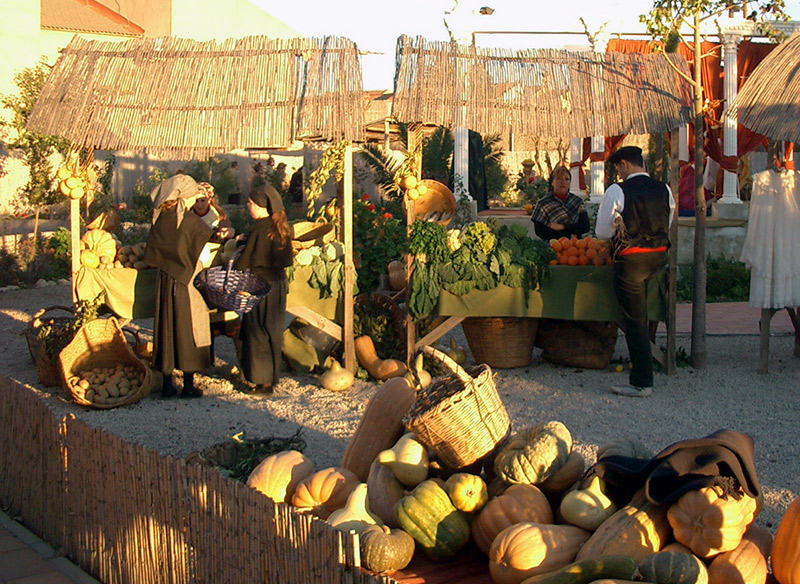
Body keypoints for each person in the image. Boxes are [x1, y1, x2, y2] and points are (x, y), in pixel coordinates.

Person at [596, 146, 675, 398]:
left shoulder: (617, 190)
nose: (618, 173)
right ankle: (650, 366)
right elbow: (668, 221)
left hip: (632, 261)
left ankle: (642, 381)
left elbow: (602, 232)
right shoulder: (665, 189)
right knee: (642, 316)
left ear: (625, 165)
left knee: (635, 320)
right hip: (658, 258)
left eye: (618, 168)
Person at [143, 175, 215, 399]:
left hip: (165, 281)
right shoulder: (190, 223)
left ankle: (166, 383)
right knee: (188, 329)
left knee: (166, 328)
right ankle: (188, 385)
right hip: (186, 282)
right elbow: (201, 253)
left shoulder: (161, 219)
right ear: (184, 196)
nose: (196, 197)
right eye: (193, 193)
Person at [234, 185, 294, 394]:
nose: (248, 207)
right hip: (277, 286)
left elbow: (246, 260)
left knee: (257, 332)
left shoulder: (260, 227)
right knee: (272, 331)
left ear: (260, 207)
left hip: (259, 286)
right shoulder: (280, 226)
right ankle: (270, 378)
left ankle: (262, 382)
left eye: (250, 204)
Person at [530, 165, 590, 241]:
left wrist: (562, 227)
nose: (563, 182)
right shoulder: (543, 203)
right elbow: (540, 231)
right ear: (552, 182)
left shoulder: (577, 202)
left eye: (566, 179)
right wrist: (567, 235)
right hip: (551, 246)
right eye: (559, 179)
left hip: (576, 246)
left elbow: (585, 226)